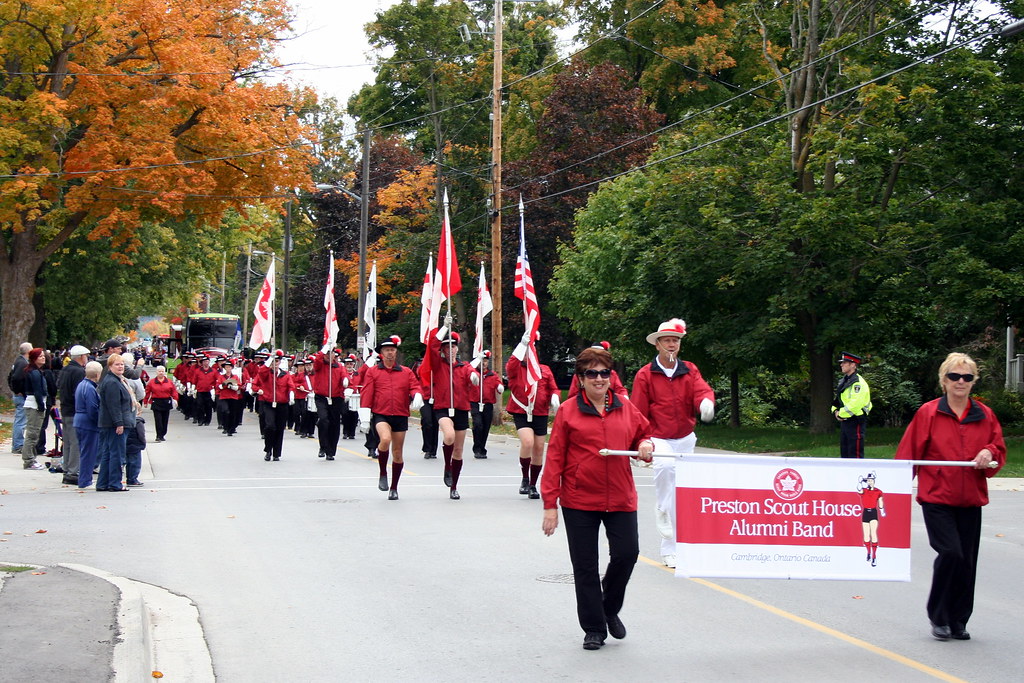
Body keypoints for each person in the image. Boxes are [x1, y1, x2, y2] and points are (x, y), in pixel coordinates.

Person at [541, 345, 654, 651]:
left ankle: (609, 607)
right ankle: (593, 628)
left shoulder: (625, 407)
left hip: (620, 496)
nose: (599, 378)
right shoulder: (568, 411)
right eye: (592, 373)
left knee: (627, 553)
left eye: (605, 372)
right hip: (580, 500)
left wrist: (645, 445)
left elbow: (643, 434)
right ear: (580, 378)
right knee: (585, 567)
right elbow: (554, 459)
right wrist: (550, 504)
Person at [895, 352, 1005, 641]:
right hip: (937, 498)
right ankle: (939, 616)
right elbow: (908, 455)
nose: (960, 382)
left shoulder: (985, 414)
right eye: (954, 376)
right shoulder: (929, 413)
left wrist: (989, 452)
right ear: (943, 380)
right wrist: (893, 490)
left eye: (967, 377)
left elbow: (998, 447)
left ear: (973, 382)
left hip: (970, 500)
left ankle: (959, 620)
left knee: (967, 562)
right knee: (951, 553)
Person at [631, 318, 716, 569]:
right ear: (657, 344)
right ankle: (662, 513)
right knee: (665, 470)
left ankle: (680, 545)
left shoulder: (689, 369)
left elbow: (701, 390)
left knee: (683, 492)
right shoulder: (645, 374)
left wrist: (705, 402)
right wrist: (641, 440)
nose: (671, 344)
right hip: (659, 437)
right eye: (667, 340)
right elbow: (638, 411)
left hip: (685, 439)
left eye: (675, 340)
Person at [361, 335, 424, 500]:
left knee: (397, 453)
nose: (390, 353)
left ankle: (394, 487)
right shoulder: (373, 372)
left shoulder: (406, 371)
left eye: (392, 350)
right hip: (381, 413)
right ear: (381, 353)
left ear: (396, 352)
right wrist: (365, 416)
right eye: (386, 350)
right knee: (385, 439)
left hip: (400, 414)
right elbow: (367, 392)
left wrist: (417, 394)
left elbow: (414, 386)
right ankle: (382, 472)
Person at [505, 334, 560, 499]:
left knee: (538, 448)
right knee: (527, 442)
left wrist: (555, 397)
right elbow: (511, 364)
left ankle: (533, 485)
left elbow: (553, 388)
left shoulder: (544, 370)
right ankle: (524, 478)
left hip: (540, 412)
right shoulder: (516, 369)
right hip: (521, 411)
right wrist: (522, 344)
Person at [422, 326, 474, 499]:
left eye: (452, 346)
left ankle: (454, 486)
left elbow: (471, 373)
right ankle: (446, 466)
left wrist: (474, 376)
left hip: (460, 409)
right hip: (443, 407)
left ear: (457, 348)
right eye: (446, 347)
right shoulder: (438, 365)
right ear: (442, 350)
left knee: (458, 450)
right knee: (449, 436)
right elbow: (431, 347)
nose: (450, 349)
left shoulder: (464, 366)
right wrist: (444, 328)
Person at [96, 353, 138, 492]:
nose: (120, 367)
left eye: (122, 364)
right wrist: (119, 423)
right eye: (117, 364)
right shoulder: (112, 382)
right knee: (117, 454)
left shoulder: (118, 380)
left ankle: (103, 483)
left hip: (111, 423)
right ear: (109, 366)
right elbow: (113, 406)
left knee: (108, 453)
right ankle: (115, 483)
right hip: (115, 424)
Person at [56, 345, 90, 484]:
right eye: (86, 356)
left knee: (68, 441)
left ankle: (67, 468)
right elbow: (79, 393)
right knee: (76, 442)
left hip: (65, 409)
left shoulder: (65, 370)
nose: (87, 358)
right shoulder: (78, 372)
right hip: (75, 410)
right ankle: (73, 471)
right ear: (81, 357)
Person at [254, 350, 294, 461]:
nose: (274, 364)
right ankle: (268, 449)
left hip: (282, 404)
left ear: (280, 362)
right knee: (270, 426)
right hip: (269, 403)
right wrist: (269, 360)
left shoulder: (285, 375)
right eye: (273, 361)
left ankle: (276, 453)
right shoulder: (266, 373)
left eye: (276, 361)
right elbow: (261, 373)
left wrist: (291, 394)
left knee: (280, 429)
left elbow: (290, 385)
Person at [311, 345, 350, 460]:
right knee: (323, 420)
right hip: (322, 397)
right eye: (326, 353)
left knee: (334, 424)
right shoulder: (320, 365)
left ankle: (331, 451)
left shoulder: (339, 367)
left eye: (331, 353)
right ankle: (323, 446)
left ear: (334, 355)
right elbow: (317, 360)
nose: (328, 355)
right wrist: (324, 349)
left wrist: (346, 381)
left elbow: (345, 376)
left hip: (336, 398)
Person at [832, 351, 872, 458]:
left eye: (845, 362)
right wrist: (835, 411)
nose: (841, 364)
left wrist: (840, 414)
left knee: (855, 454)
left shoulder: (858, 382)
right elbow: (837, 400)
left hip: (856, 421)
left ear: (853, 365)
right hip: (846, 421)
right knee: (845, 453)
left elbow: (855, 404)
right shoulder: (843, 381)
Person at [73, 362, 103, 490]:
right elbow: (92, 408)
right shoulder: (90, 388)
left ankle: (84, 478)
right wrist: (99, 422)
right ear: (97, 374)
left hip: (79, 420)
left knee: (85, 451)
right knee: (89, 453)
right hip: (87, 423)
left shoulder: (82, 385)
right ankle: (85, 480)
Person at [469, 351, 503, 459]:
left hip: (487, 404)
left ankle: (482, 448)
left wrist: (499, 387)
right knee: (478, 424)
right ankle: (477, 449)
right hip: (475, 402)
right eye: (481, 361)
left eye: (485, 361)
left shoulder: (492, 375)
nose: (483, 363)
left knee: (486, 427)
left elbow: (498, 383)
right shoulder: (473, 372)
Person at [20, 348, 49, 470]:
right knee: (32, 433)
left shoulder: (35, 371)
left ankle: (32, 458)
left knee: (34, 433)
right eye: (40, 356)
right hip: (35, 405)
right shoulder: (34, 373)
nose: (43, 358)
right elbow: (37, 390)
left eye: (43, 356)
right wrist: (41, 407)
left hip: (34, 403)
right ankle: (28, 460)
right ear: (34, 358)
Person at [857, 472, 885, 567]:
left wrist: (882, 510)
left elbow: (880, 501)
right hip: (865, 513)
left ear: (874, 481)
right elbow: (858, 489)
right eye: (868, 480)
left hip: (873, 512)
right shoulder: (864, 490)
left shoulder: (878, 491)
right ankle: (868, 552)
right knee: (866, 536)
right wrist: (860, 481)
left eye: (871, 480)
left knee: (873, 533)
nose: (870, 482)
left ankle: (874, 556)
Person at [144, 365, 178, 442]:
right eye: (159, 371)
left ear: (164, 372)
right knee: (158, 420)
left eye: (162, 371)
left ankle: (163, 434)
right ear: (157, 372)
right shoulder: (152, 382)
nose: (161, 373)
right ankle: (158, 435)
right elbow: (147, 392)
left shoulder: (169, 381)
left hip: (166, 402)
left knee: (165, 420)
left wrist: (175, 399)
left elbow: (173, 391)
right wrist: (145, 402)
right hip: (156, 402)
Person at [8, 342, 32, 455]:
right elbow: (16, 378)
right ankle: (18, 445)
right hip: (21, 396)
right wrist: (18, 391)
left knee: (20, 420)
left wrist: (13, 389)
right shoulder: (23, 363)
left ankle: (17, 443)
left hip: (18, 395)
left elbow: (10, 377)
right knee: (21, 421)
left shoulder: (18, 361)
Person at [125, 414, 147, 487]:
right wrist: (143, 443)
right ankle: (133, 479)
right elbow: (141, 434)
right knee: (135, 463)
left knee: (129, 463)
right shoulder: (139, 422)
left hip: (127, 444)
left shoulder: (126, 420)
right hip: (136, 445)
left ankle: (129, 478)